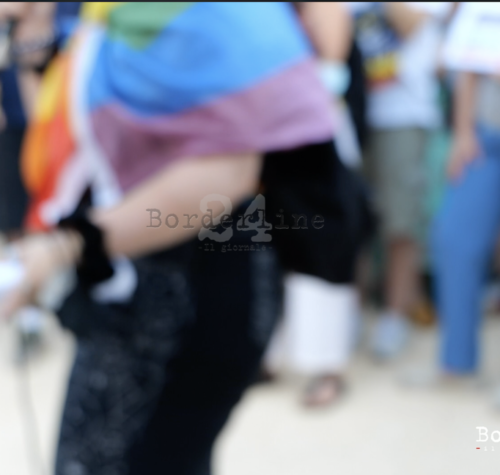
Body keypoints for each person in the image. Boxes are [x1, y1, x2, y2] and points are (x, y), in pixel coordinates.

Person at [0, 3, 344, 474]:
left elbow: (228, 175)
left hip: (204, 281)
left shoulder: (210, 12)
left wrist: (67, 245)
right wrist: (34, 24)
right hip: (132, 282)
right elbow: (66, 131)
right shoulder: (113, 12)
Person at [348, 2, 452, 360]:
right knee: (350, 220)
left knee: (401, 222)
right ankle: (351, 314)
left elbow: (409, 24)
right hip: (350, 110)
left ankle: (394, 316)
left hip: (404, 115)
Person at [419, 3, 500, 390]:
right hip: (484, 135)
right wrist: (463, 132)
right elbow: (464, 61)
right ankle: (457, 360)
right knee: (455, 240)